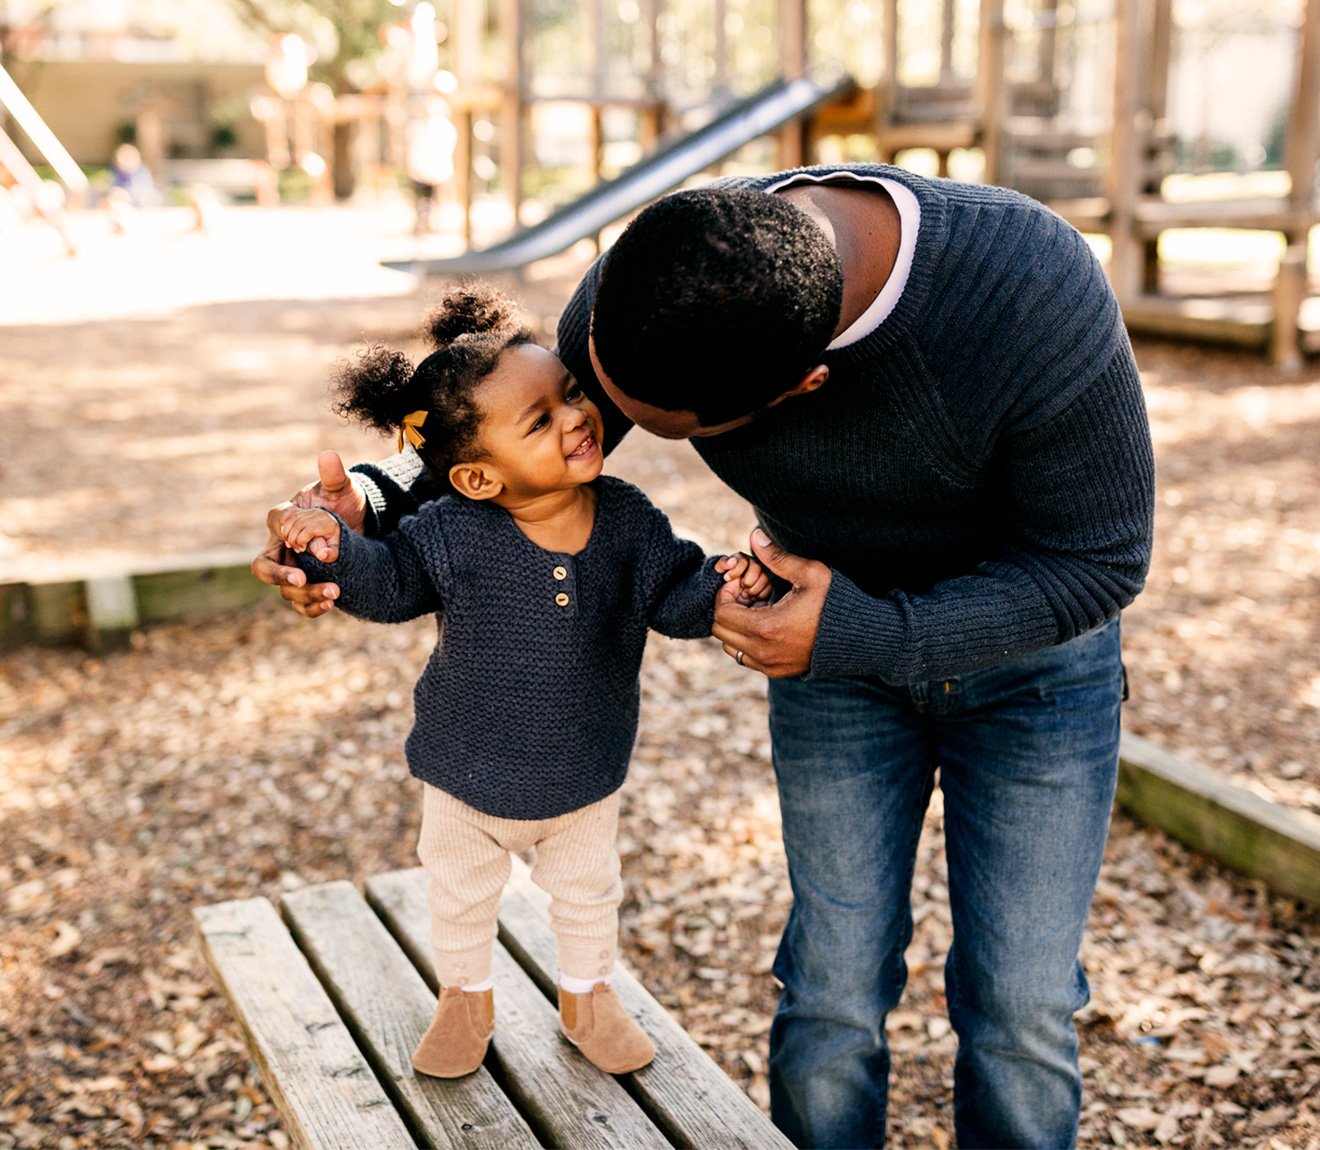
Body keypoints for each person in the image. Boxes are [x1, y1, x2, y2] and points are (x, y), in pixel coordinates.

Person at [254, 162, 1155, 1148]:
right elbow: (498, 446)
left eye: (662, 429)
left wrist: (863, 630)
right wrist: (367, 512)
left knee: (1021, 1002)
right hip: (833, 677)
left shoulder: (1031, 288)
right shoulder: (669, 269)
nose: (597, 415)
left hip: (1034, 672)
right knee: (831, 981)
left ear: (801, 389)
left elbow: (1098, 561)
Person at [273, 285, 770, 1080]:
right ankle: (464, 1000)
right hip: (466, 769)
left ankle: (588, 998)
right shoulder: (449, 530)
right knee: (461, 898)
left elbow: (673, 594)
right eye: (540, 421)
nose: (576, 416)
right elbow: (392, 581)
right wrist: (331, 546)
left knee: (587, 895)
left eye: (571, 393)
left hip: (583, 767)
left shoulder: (628, 519)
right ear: (475, 478)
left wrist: (724, 588)